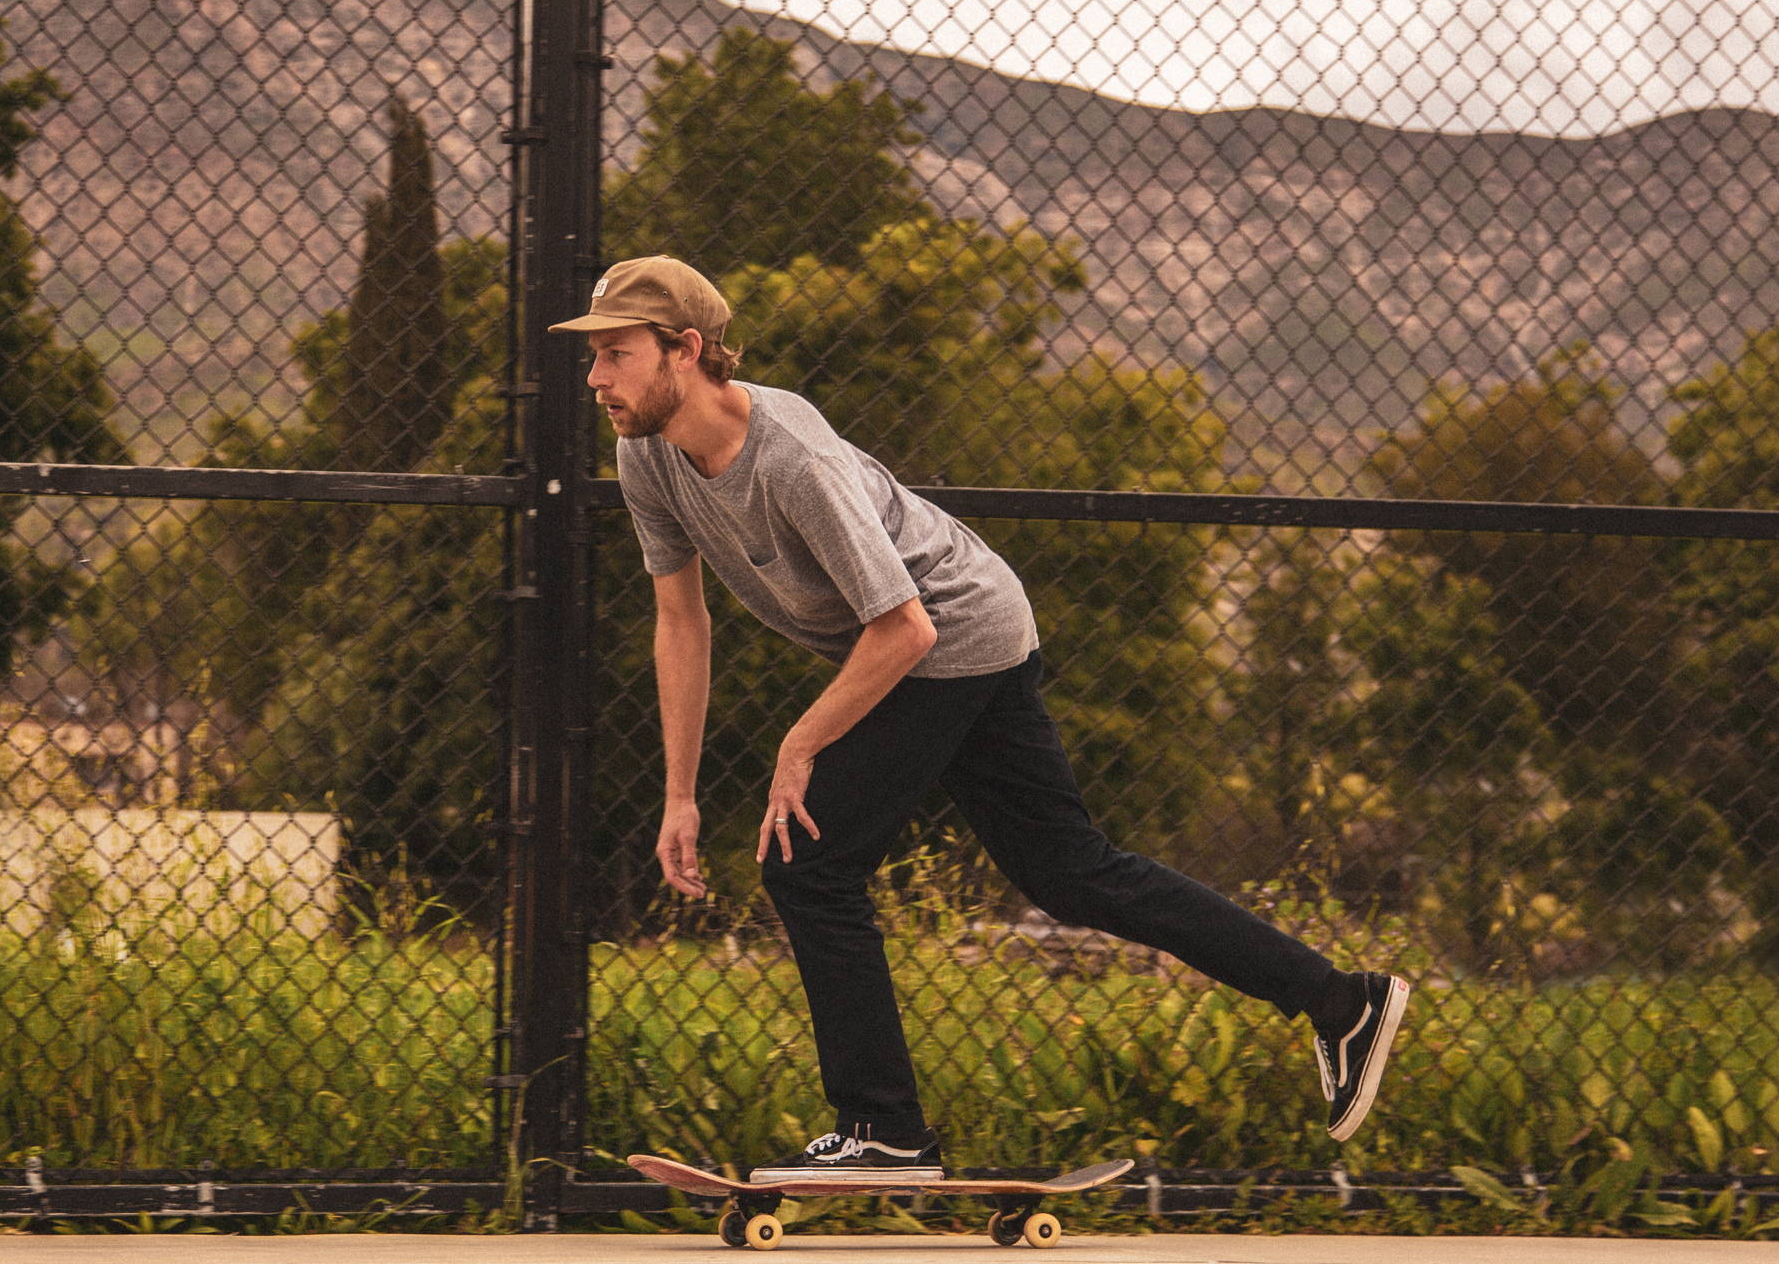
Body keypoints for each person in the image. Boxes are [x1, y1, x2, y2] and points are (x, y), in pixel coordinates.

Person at [558, 255, 1411, 1184]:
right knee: (1073, 873)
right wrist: (678, 794)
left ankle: (883, 1130)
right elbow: (681, 621)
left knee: (805, 860)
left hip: (948, 633)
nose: (596, 379)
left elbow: (905, 627)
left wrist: (799, 745)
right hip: (951, 634)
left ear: (685, 351)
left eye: (615, 354)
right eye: (593, 357)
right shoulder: (645, 454)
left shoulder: (794, 461)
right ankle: (1341, 1003)